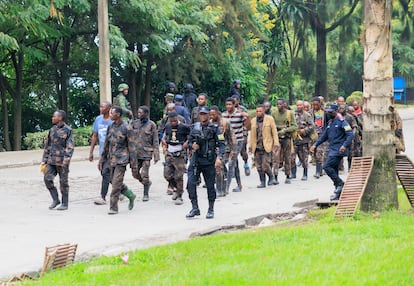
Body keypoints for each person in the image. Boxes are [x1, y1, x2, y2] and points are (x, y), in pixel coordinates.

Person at [186, 106, 225, 219]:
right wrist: (192, 146)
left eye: (205, 114)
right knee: (190, 184)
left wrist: (219, 158)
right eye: (201, 114)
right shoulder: (195, 128)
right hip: (196, 160)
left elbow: (222, 144)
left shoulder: (215, 128)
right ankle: (195, 207)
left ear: (209, 115)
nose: (203, 116)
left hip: (209, 160)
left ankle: (211, 209)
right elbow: (189, 142)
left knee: (210, 186)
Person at [310, 104, 354, 201]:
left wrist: (344, 145)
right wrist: (315, 144)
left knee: (326, 166)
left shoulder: (343, 122)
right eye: (328, 112)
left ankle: (340, 184)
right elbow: (324, 136)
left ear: (336, 111)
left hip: (339, 150)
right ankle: (338, 192)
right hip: (332, 149)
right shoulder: (330, 123)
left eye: (331, 112)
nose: (329, 113)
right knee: (334, 170)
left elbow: (350, 134)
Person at [99, 106, 137, 215]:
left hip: (122, 160)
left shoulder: (127, 128)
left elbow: (132, 148)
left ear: (118, 115)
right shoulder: (110, 127)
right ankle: (129, 194)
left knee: (116, 184)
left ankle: (113, 207)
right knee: (112, 179)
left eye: (112, 113)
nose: (110, 115)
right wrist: (101, 160)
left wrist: (134, 166)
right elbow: (106, 144)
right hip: (111, 159)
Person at [41, 110, 74, 210]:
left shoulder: (68, 130)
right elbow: (48, 145)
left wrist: (66, 161)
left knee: (63, 183)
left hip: (62, 161)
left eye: (54, 116)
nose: (52, 118)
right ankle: (55, 199)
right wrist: (44, 159)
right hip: (51, 160)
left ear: (60, 118)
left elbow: (70, 147)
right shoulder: (52, 130)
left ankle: (65, 203)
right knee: (47, 179)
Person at [130, 106, 160, 201]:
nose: (138, 114)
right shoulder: (134, 123)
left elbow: (155, 140)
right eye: (138, 112)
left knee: (144, 174)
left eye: (141, 113)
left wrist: (156, 155)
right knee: (135, 173)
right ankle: (147, 183)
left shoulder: (151, 125)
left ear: (146, 114)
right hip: (135, 154)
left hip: (146, 153)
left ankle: (145, 193)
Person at [222, 97, 251, 193]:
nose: (228, 106)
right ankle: (239, 185)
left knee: (231, 163)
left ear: (234, 105)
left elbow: (248, 127)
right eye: (227, 105)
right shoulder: (223, 115)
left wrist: (247, 117)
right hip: (227, 143)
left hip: (238, 141)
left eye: (230, 104)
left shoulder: (239, 115)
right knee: (231, 163)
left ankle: (226, 187)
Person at [161, 112, 190, 205]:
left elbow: (191, 135)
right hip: (170, 151)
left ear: (177, 118)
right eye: (171, 121)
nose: (173, 122)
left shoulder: (184, 127)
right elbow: (165, 135)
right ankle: (176, 188)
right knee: (167, 174)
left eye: (174, 120)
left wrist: (187, 142)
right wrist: (164, 140)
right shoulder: (168, 126)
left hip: (179, 152)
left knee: (179, 175)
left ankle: (180, 196)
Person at [249, 104, 279, 188]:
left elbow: (274, 132)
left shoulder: (269, 119)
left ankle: (271, 177)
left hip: (267, 145)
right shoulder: (253, 121)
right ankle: (262, 181)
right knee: (258, 166)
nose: (258, 113)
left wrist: (276, 143)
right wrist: (250, 146)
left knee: (265, 165)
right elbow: (252, 135)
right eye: (257, 111)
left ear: (264, 111)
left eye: (260, 111)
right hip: (257, 146)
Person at [89, 101, 113, 205]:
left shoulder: (113, 121)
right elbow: (95, 135)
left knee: (105, 173)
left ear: (109, 108)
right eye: (100, 106)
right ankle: (122, 189)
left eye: (102, 107)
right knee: (107, 174)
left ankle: (102, 197)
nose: (100, 108)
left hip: (112, 153)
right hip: (102, 151)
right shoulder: (98, 120)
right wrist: (91, 151)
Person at [209, 106, 236, 197]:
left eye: (213, 114)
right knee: (221, 169)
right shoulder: (210, 123)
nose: (212, 116)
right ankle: (223, 188)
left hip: (225, 149)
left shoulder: (225, 123)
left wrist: (233, 150)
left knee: (219, 167)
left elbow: (232, 136)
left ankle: (219, 189)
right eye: (210, 115)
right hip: (213, 150)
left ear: (218, 113)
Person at [272, 99, 298, 184]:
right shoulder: (274, 114)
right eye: (277, 104)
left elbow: (294, 126)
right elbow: (271, 126)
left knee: (287, 157)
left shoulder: (289, 113)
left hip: (287, 138)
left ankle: (288, 175)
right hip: (277, 139)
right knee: (276, 158)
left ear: (284, 104)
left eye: (280, 104)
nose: (279, 105)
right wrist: (279, 127)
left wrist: (285, 130)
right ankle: (275, 177)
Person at [292, 100, 314, 181]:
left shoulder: (307, 115)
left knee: (304, 158)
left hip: (304, 140)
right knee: (292, 157)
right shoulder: (293, 115)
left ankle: (305, 174)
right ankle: (293, 173)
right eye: (298, 105)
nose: (299, 107)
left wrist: (304, 130)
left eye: (300, 105)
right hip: (294, 139)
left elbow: (312, 126)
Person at [232, 94, 251, 176]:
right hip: (233, 133)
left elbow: (247, 121)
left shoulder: (242, 109)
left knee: (242, 150)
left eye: (235, 100)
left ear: (238, 101)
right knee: (233, 151)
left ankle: (246, 164)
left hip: (242, 132)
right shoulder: (230, 109)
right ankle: (234, 169)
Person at [311, 97, 327, 178]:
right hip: (313, 135)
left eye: (316, 104)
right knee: (314, 153)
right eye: (313, 105)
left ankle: (318, 171)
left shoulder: (325, 112)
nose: (315, 106)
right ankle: (320, 170)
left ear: (320, 104)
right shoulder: (309, 113)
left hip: (322, 135)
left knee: (319, 153)